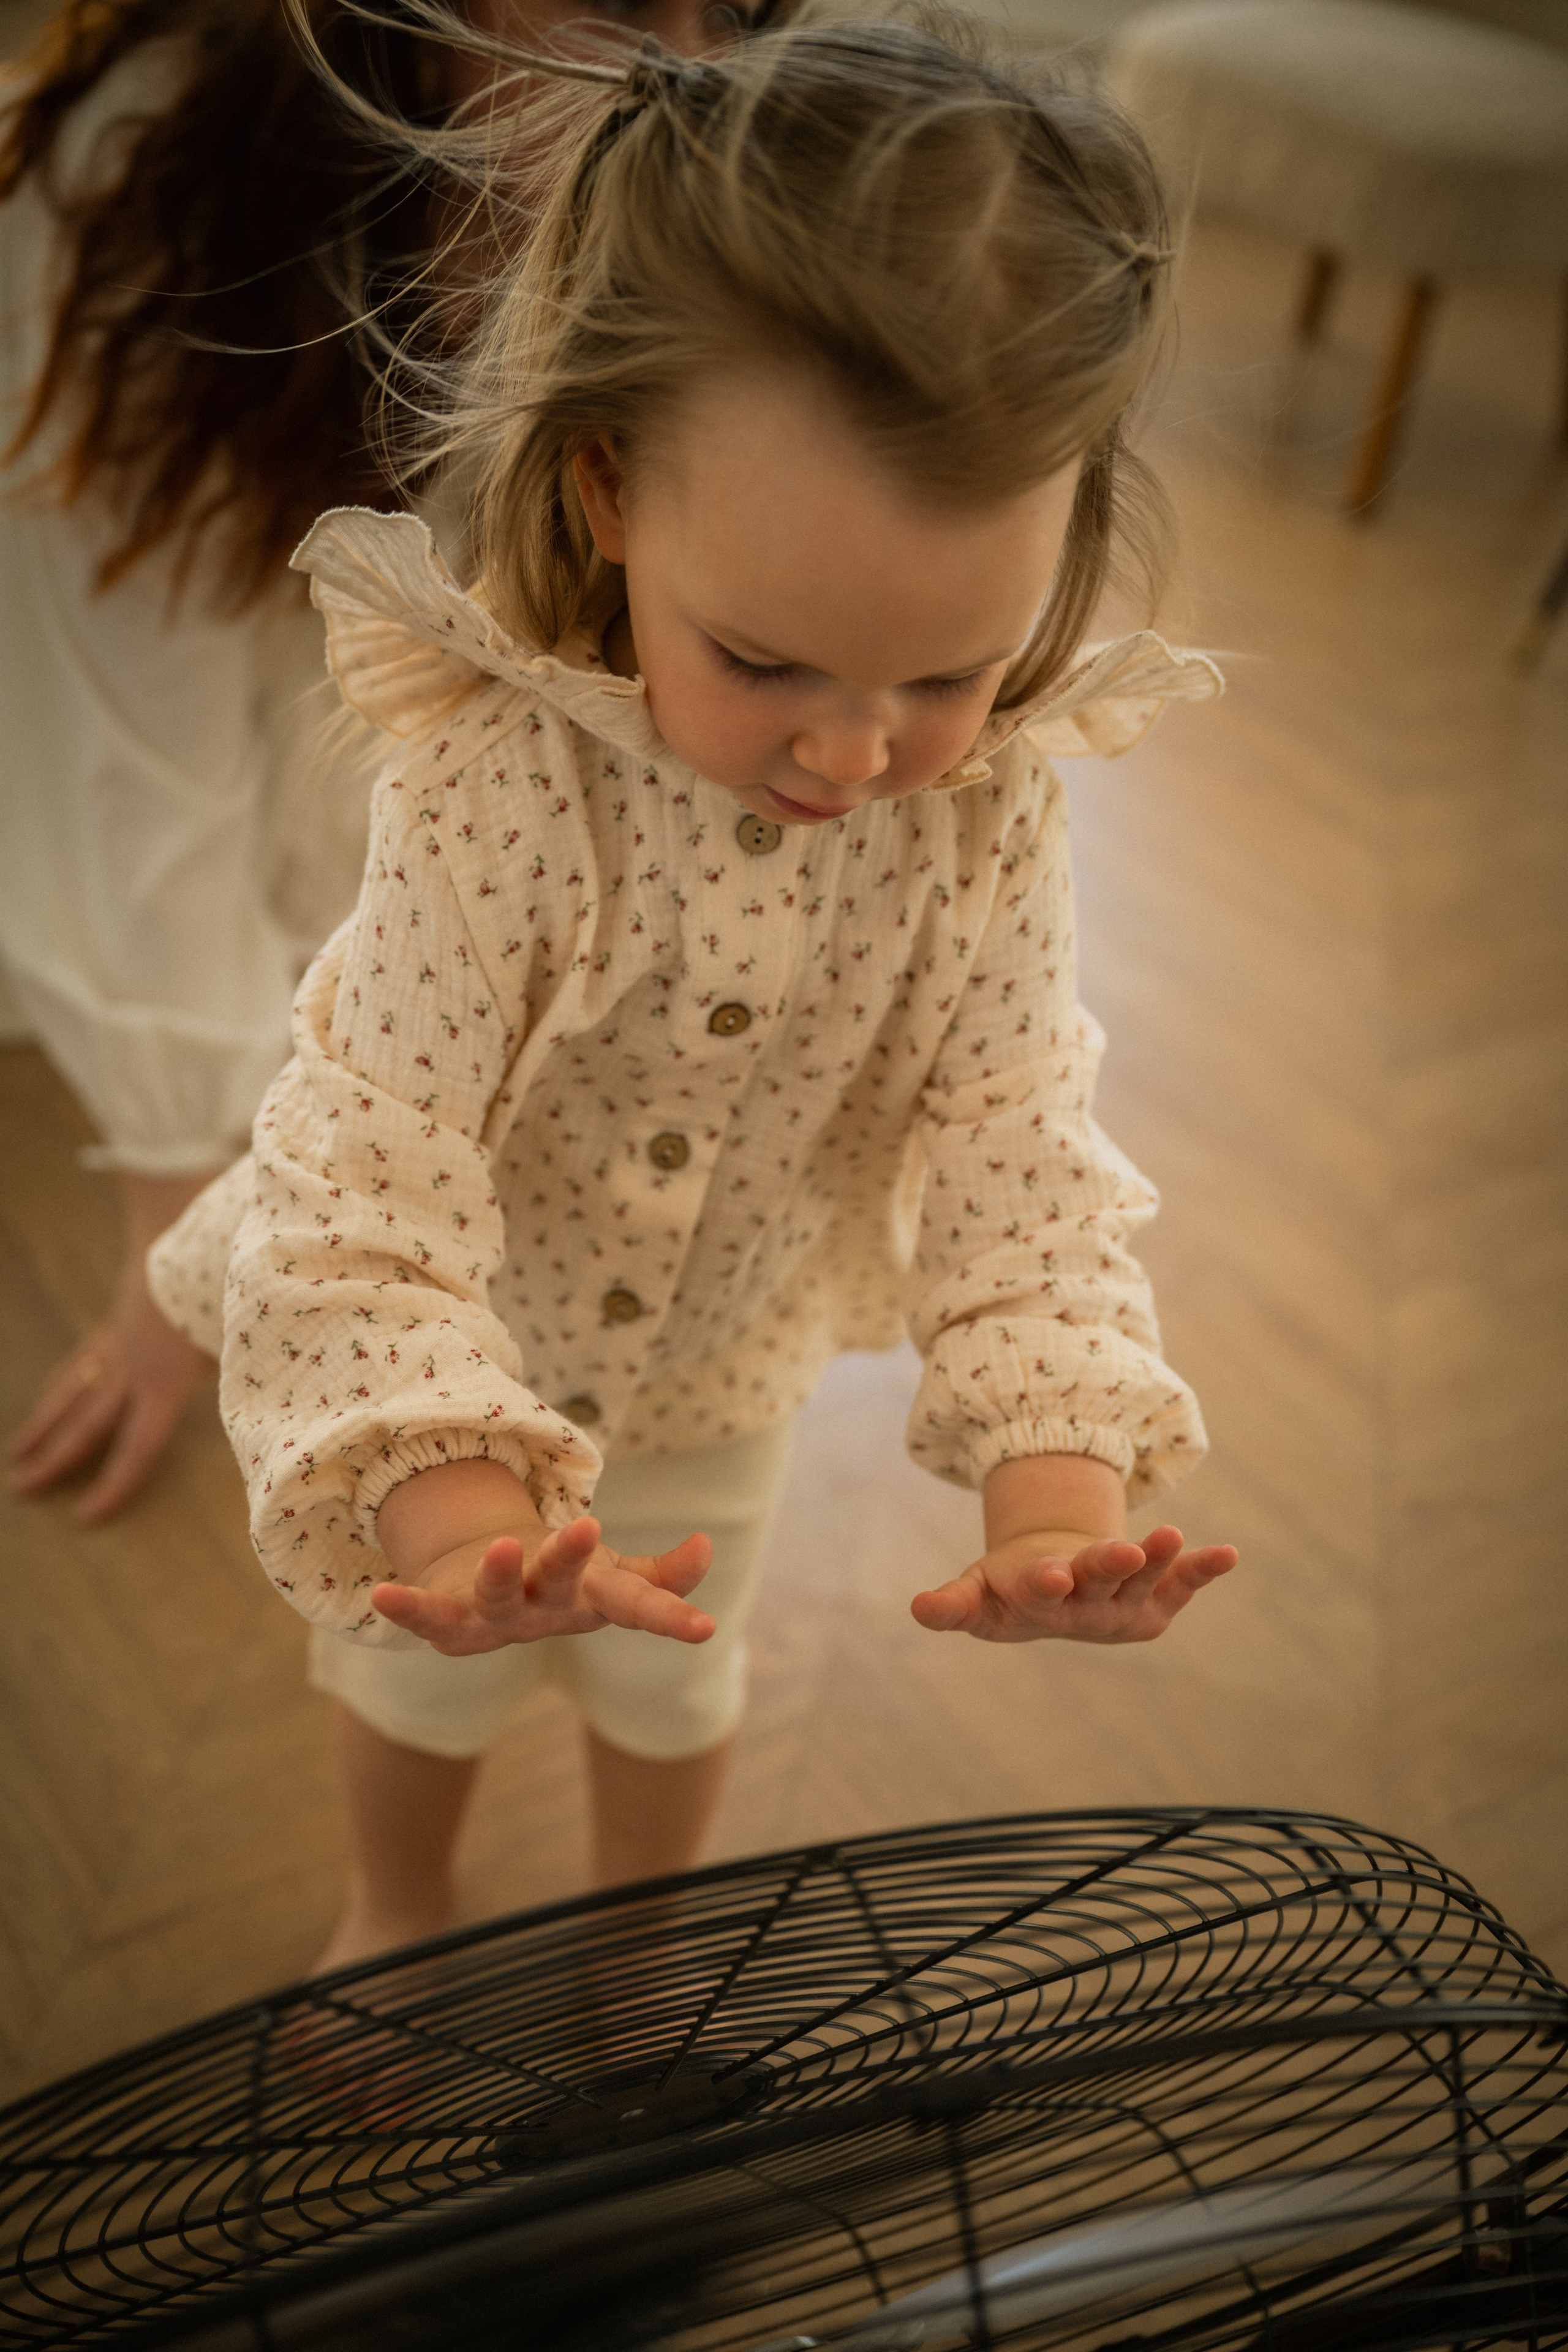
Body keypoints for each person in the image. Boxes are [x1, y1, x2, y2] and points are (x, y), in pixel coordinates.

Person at [148, 8, 1240, 1970]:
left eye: (947, 675)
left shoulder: (983, 824)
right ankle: (393, 1916)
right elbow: (364, 1164)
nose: (856, 755)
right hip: (450, 1359)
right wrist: (457, 1515)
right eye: (768, 661)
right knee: (417, 1691)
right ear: (600, 500)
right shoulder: (497, 789)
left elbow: (1018, 1143)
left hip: (719, 1378)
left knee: (677, 1687)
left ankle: (642, 1964)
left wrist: (1053, 1494)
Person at [1, 0, 716, 1521]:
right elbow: (135, 764)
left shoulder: (700, 124)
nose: (680, 63)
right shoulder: (149, 173)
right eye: (613, 8)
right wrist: (178, 1253)